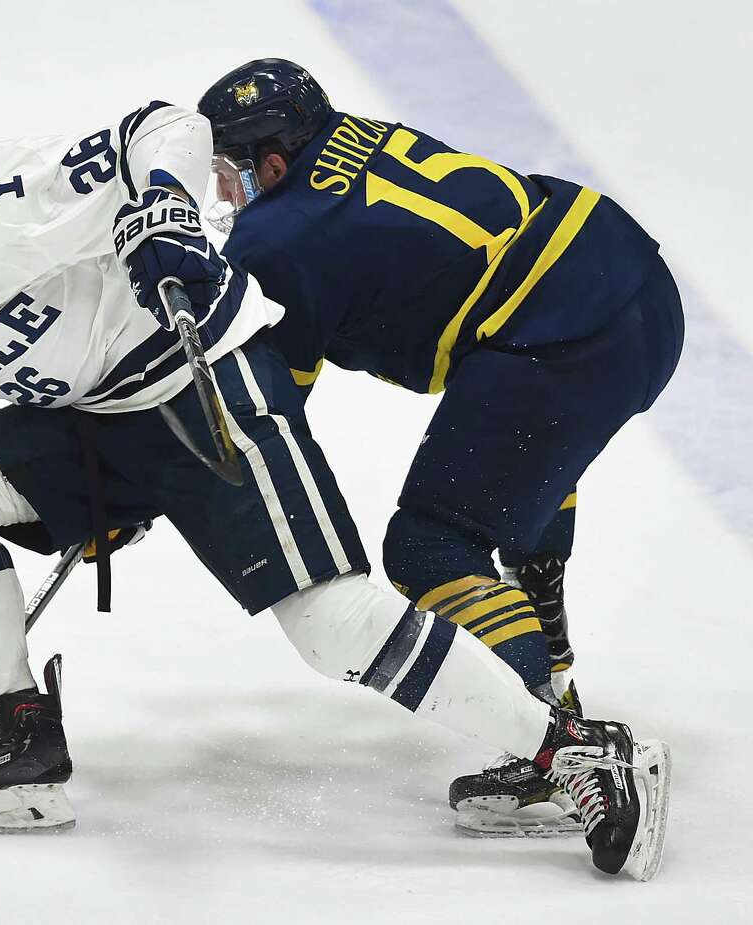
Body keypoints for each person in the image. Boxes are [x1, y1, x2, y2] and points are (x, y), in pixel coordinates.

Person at [0, 100, 668, 877]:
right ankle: (19, 728)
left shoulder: (3, 208)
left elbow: (161, 123)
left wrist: (159, 209)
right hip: (96, 419)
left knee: (327, 622)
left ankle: (573, 753)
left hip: (204, 385)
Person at [198, 59, 684, 835]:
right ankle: (544, 640)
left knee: (430, 546)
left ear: (273, 163)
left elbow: (269, 401)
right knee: (514, 462)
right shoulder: (346, 138)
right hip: (629, 277)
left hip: (561, 334)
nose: (222, 193)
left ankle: (556, 751)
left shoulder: (275, 236)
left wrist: (162, 474)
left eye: (229, 172)